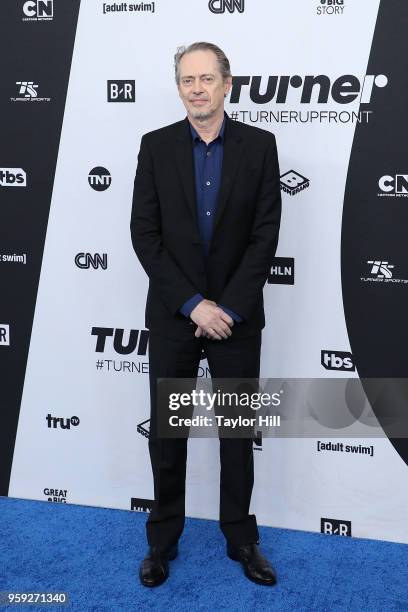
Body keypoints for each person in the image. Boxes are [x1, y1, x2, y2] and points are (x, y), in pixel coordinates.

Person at [130, 41, 281, 587]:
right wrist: (194, 305)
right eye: (187, 80)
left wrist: (229, 309)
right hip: (175, 315)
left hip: (237, 319)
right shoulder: (155, 146)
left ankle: (242, 539)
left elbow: (265, 236)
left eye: (206, 78)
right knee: (168, 437)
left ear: (227, 84)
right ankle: (162, 541)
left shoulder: (261, 147)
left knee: (238, 434)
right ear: (179, 88)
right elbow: (144, 235)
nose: (197, 88)